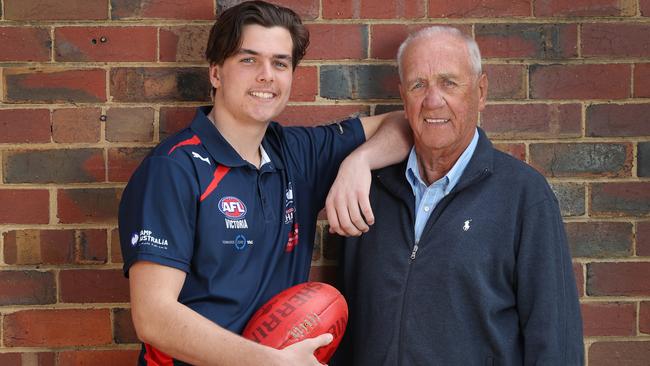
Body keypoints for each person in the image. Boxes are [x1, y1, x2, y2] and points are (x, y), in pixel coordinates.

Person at [118, 1, 410, 365]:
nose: (266, 75)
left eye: (280, 63)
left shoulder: (297, 153)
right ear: (215, 73)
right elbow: (153, 318)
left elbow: (404, 124)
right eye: (248, 59)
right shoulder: (174, 168)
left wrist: (359, 162)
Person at [332, 26, 584, 365]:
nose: (433, 100)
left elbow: (556, 343)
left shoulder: (523, 197)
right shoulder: (368, 193)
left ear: (480, 92)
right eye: (418, 84)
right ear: (403, 96)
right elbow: (347, 328)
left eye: (449, 83)